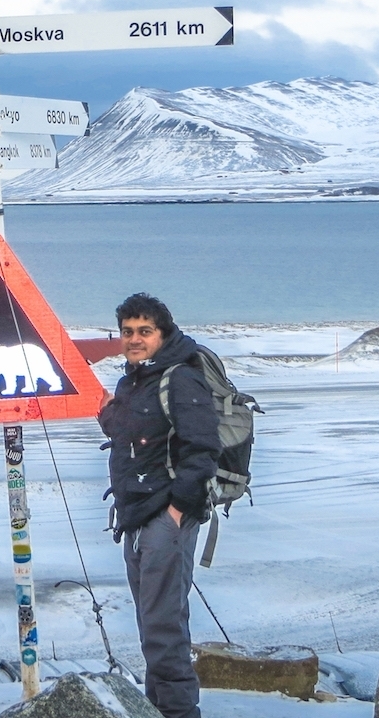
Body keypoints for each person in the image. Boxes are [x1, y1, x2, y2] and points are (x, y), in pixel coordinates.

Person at [98, 293, 221, 718]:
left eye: (144, 331)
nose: (134, 339)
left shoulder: (180, 378)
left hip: (167, 518)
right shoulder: (134, 379)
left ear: (162, 334)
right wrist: (109, 417)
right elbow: (140, 437)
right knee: (153, 624)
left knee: (164, 627)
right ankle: (160, 708)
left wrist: (177, 511)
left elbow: (203, 448)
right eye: (128, 332)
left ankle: (177, 712)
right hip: (138, 517)